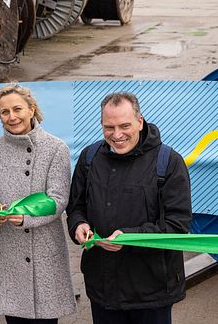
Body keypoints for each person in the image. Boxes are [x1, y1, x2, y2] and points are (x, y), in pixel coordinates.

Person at [66, 92, 192, 324]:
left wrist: (130, 237)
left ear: (140, 121)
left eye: (125, 126)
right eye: (109, 127)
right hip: (102, 286)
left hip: (151, 290)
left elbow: (178, 225)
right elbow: (76, 207)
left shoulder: (169, 162)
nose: (117, 135)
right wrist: (78, 226)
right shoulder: (89, 158)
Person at [0, 84, 76, 324]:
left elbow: (58, 199)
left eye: (17, 109)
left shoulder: (56, 148)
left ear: (31, 109)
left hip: (45, 252)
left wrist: (26, 217)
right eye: (5, 112)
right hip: (9, 252)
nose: (12, 117)